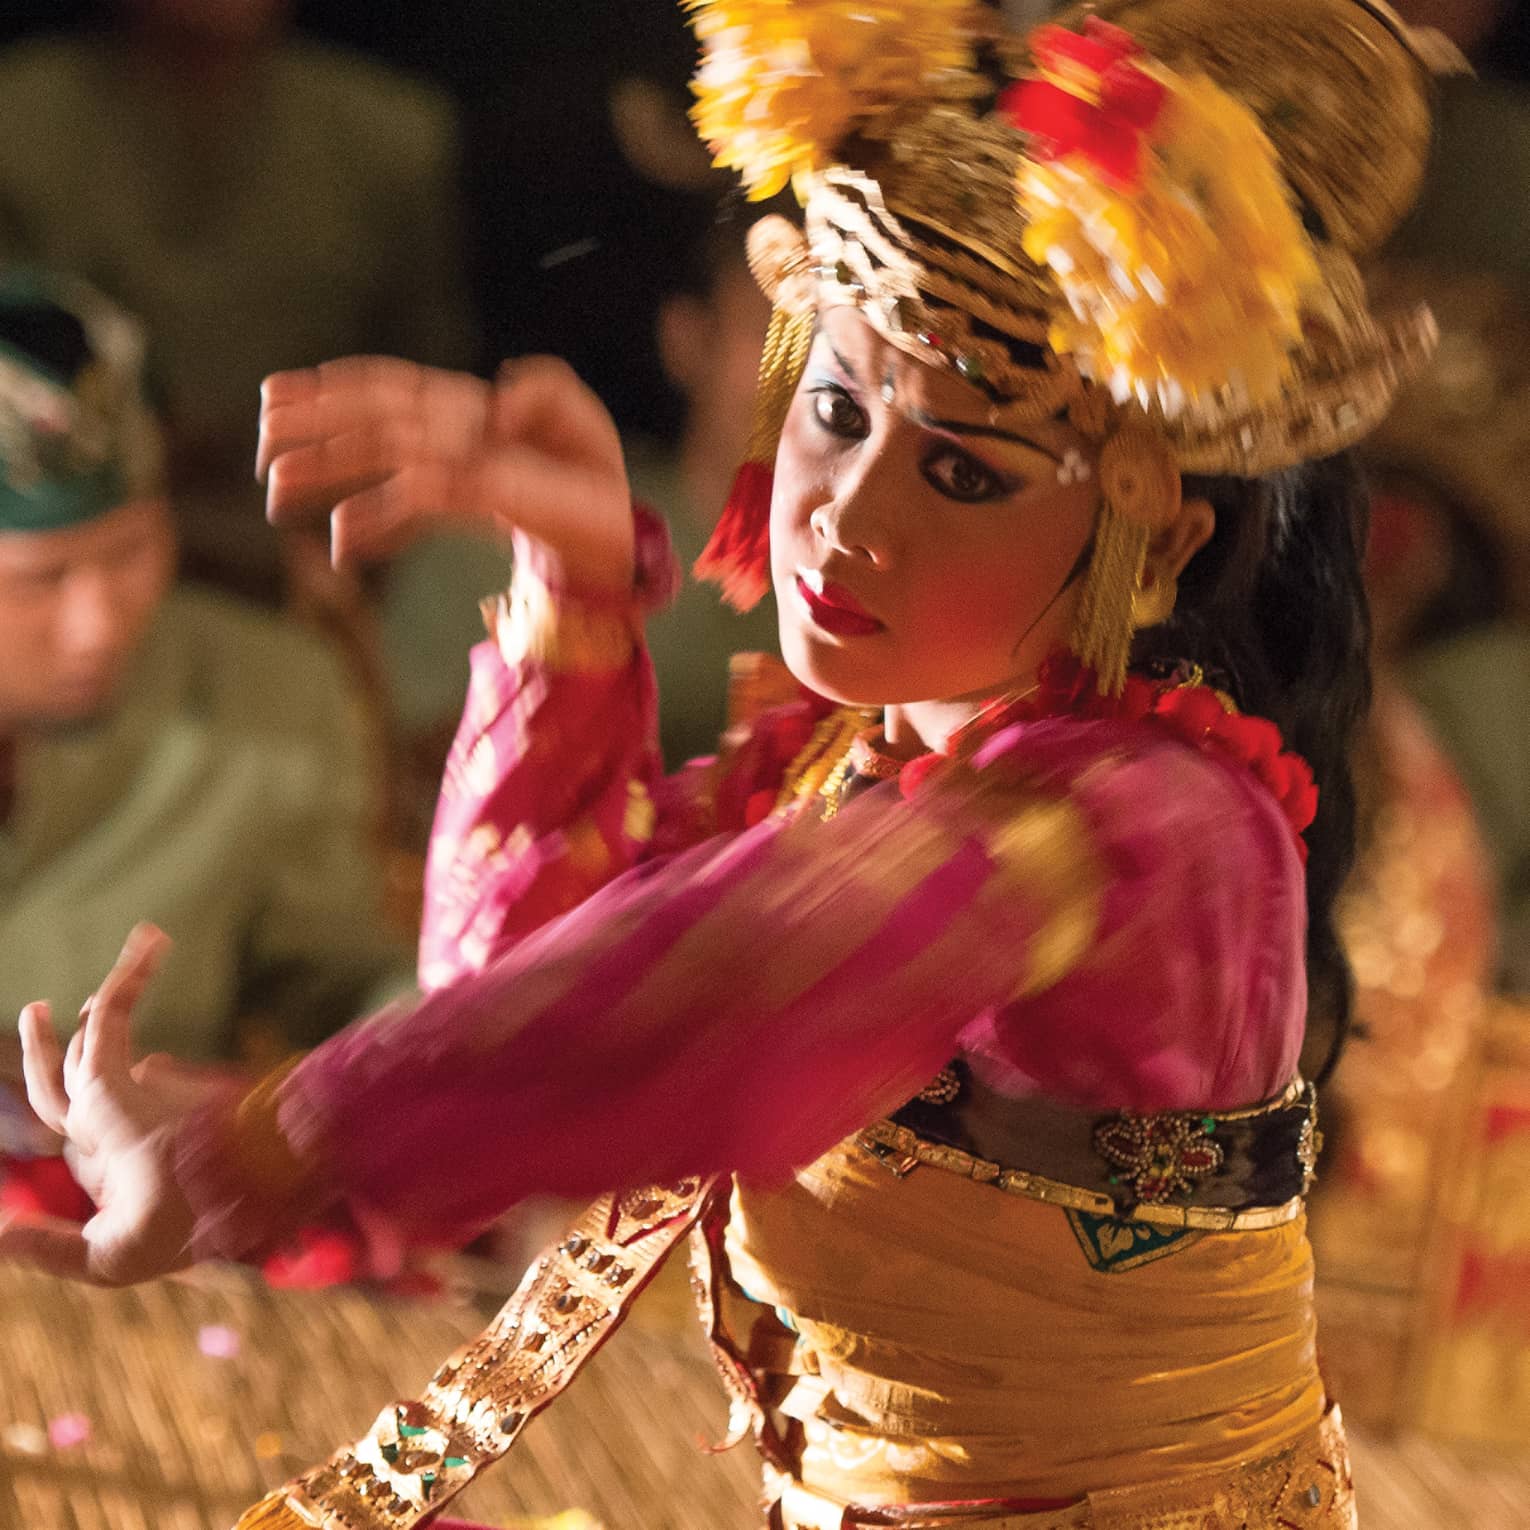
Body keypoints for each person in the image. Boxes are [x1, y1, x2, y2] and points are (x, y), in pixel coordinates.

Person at [0, 2, 1450, 1526]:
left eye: (963, 469)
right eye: (836, 409)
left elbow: (718, 991)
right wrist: (571, 603)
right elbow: (521, 971)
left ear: (1153, 533)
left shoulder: (1146, 824)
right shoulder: (856, 762)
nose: (846, 513)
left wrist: (264, 1142)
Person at [0, 271, 413, 1070]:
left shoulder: (265, 697)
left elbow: (349, 985)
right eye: (39, 580)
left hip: (136, 1184)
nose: (100, 625)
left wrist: (456, 1030)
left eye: (129, 553)